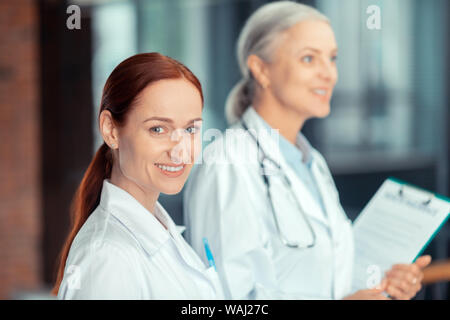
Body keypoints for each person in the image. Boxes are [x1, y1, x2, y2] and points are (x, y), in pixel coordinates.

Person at [183, 1, 431, 300]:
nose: (329, 74)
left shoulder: (312, 163)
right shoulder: (227, 163)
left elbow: (329, 279)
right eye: (309, 59)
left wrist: (383, 282)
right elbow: (228, 300)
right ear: (261, 69)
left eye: (333, 58)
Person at [53, 52, 223, 299]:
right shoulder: (108, 259)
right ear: (111, 130)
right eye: (157, 128)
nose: (180, 150)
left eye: (190, 129)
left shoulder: (160, 228)